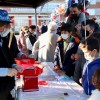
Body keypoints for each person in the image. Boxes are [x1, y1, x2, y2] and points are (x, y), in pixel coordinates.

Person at [0, 9, 25, 100]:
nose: (3, 29)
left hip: (5, 87)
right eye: (1, 26)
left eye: (4, 26)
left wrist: (13, 65)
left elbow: (7, 56)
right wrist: (6, 71)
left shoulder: (2, 39)